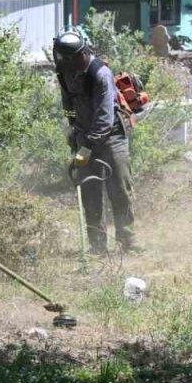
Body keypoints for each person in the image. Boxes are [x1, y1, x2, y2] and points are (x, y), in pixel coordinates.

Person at [53, 31, 138, 254]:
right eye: (62, 58)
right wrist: (73, 131)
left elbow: (104, 117)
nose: (65, 62)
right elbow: (68, 105)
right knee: (89, 192)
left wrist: (87, 147)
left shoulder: (100, 73)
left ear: (81, 53)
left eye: (69, 58)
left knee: (120, 190)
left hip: (111, 137)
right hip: (84, 136)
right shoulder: (64, 73)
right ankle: (97, 246)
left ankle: (128, 241)